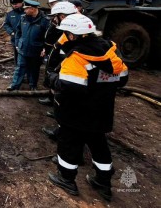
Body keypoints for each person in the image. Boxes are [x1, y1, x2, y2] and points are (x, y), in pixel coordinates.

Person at [47, 14, 128, 201]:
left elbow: (69, 86)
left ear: (74, 35)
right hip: (101, 111)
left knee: (69, 145)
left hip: (75, 113)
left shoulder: (76, 57)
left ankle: (66, 179)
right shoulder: (111, 52)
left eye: (67, 33)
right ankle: (103, 182)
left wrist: (51, 78)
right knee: (99, 145)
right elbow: (122, 79)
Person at [39, 1, 78, 140]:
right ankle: (61, 128)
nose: (54, 20)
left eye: (56, 17)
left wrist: (56, 78)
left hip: (67, 79)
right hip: (62, 75)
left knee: (69, 110)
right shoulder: (69, 32)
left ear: (63, 16)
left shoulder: (75, 35)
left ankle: (64, 138)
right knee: (64, 107)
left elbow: (66, 57)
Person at [7, 0, 50, 91]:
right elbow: (18, 31)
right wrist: (18, 43)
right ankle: (14, 85)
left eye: (26, 9)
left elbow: (48, 37)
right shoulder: (23, 18)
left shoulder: (45, 20)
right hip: (23, 48)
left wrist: (44, 48)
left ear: (33, 9)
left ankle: (33, 86)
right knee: (20, 67)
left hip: (36, 50)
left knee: (34, 69)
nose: (24, 10)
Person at [4, 0, 24, 64]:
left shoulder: (27, 12)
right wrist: (11, 32)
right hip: (15, 39)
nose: (14, 5)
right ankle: (18, 70)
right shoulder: (10, 14)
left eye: (16, 3)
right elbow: (6, 24)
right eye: (13, 4)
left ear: (22, 2)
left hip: (26, 39)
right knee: (17, 57)